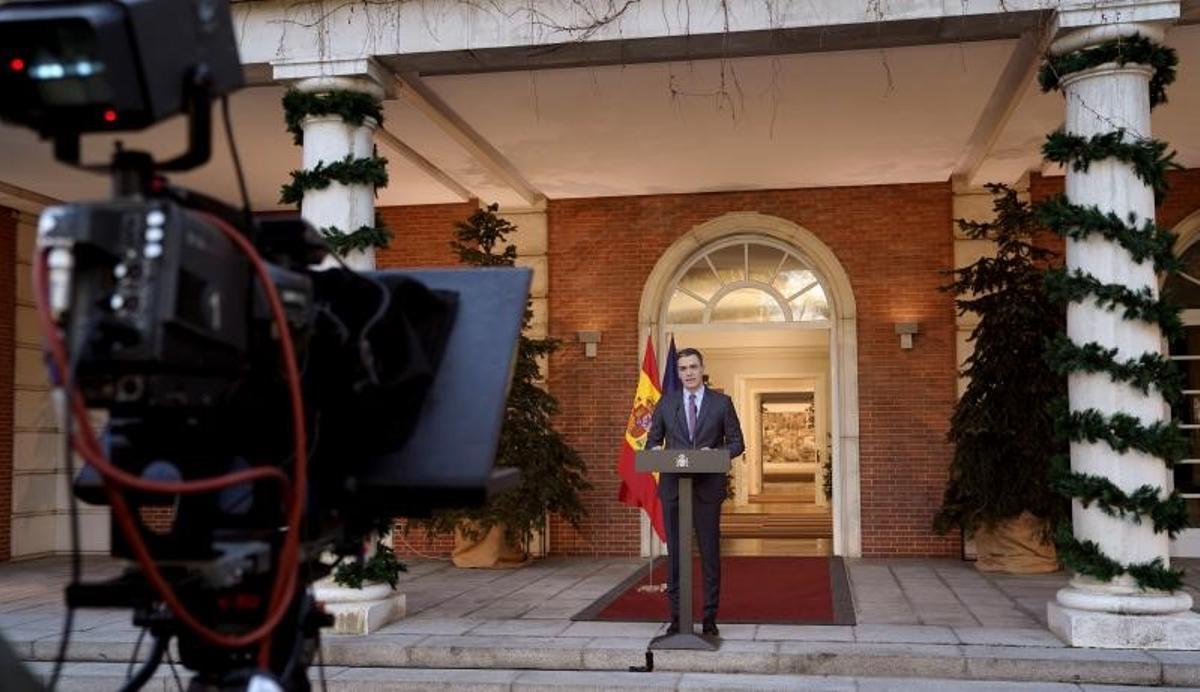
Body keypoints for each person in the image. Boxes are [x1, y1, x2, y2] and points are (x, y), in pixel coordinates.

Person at [646, 347, 744, 636]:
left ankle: (710, 618)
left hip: (707, 489)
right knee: (676, 554)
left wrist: (714, 452)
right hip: (674, 489)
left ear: (702, 369)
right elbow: (653, 441)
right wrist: (653, 451)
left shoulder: (721, 403)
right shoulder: (666, 403)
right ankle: (677, 619)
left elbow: (737, 443)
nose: (688, 373)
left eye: (693, 367)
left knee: (710, 554)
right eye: (683, 369)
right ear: (678, 373)